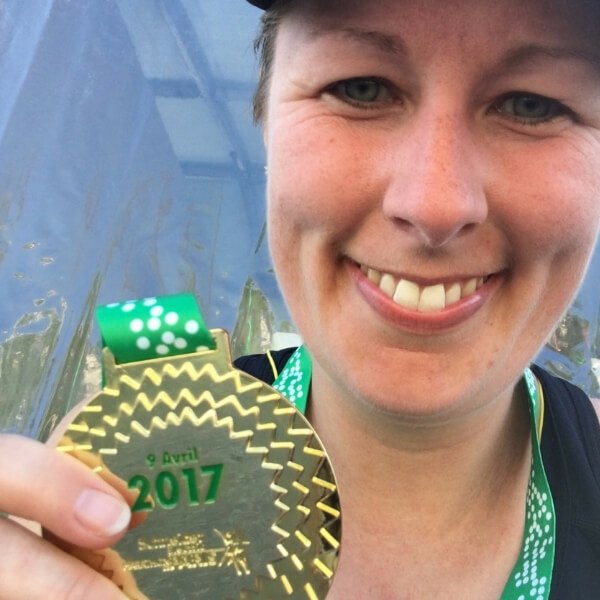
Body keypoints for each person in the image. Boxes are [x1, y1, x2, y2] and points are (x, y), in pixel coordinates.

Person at [1, 0, 599, 597]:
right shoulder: (119, 460)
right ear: (265, 122)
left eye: (532, 105)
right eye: (362, 88)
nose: (434, 204)